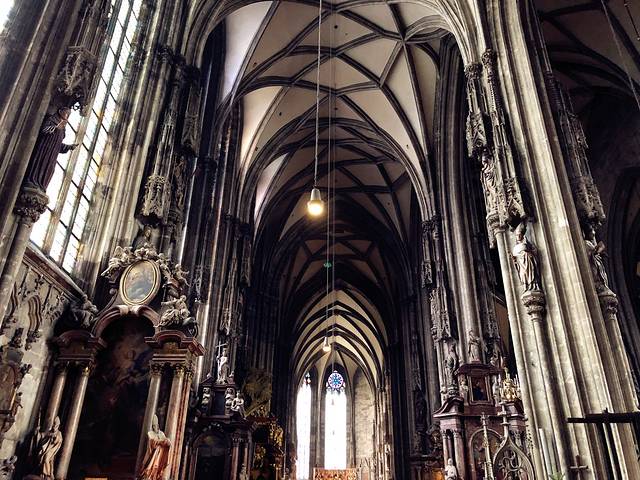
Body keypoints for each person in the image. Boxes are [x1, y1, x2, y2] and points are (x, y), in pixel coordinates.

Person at [138, 415, 171, 480]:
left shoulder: (161, 433)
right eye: (153, 426)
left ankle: (156, 476)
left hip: (160, 455)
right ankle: (148, 475)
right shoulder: (150, 433)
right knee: (151, 464)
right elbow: (151, 442)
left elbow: (165, 440)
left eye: (156, 425)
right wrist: (159, 442)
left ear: (158, 426)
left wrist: (167, 441)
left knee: (158, 464)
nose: (155, 427)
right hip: (153, 453)